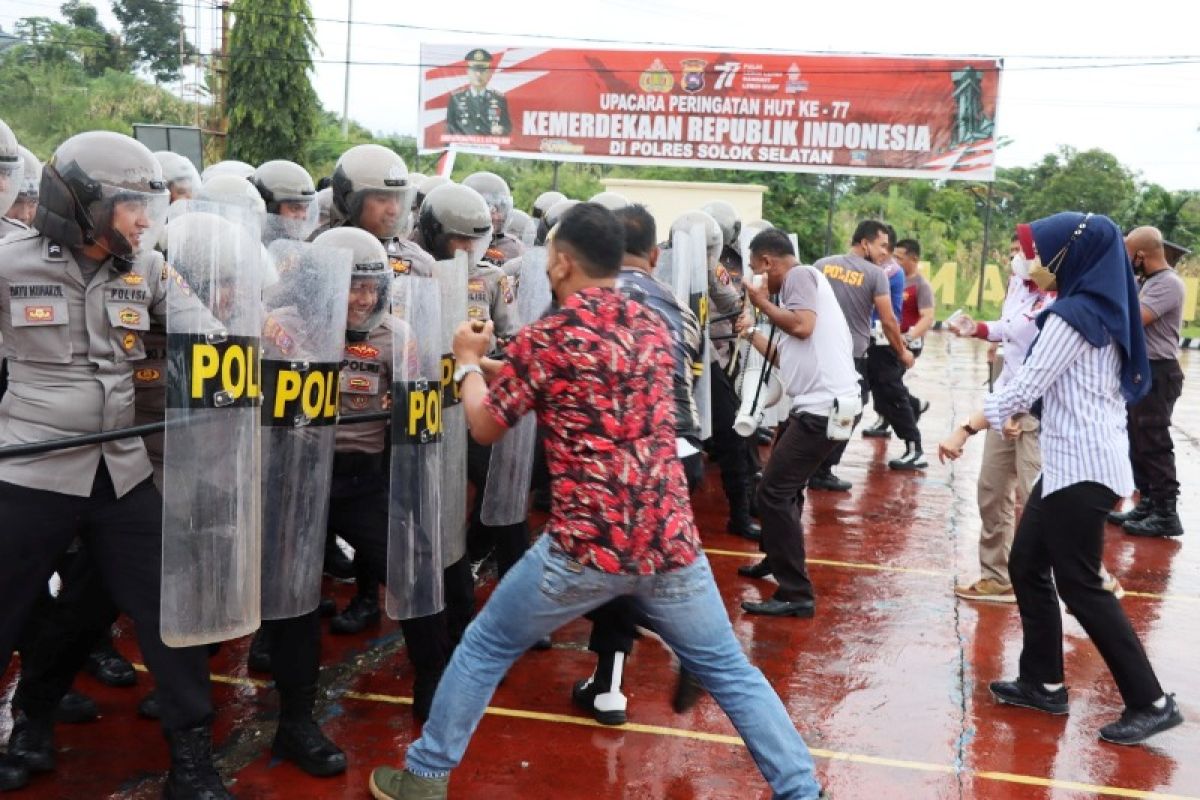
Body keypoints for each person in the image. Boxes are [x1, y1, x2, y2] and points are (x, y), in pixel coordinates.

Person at [366, 202, 828, 800]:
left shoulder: (554, 334)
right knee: (733, 674)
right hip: (669, 540)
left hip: (582, 549)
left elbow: (484, 424)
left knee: (483, 647)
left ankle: (424, 778)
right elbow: (588, 378)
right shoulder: (655, 325)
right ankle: (802, 791)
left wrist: (466, 363)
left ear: (559, 262)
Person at [0, 131, 229, 797]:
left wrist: (261, 356)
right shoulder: (8, 261)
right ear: (82, 204)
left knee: (170, 614)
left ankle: (192, 760)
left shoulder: (150, 268)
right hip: (29, 469)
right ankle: (31, 724)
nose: (144, 220)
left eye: (148, 207)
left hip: (122, 472)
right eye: (131, 206)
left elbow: (211, 341)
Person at [939, 212, 1182, 747]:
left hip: (1084, 467)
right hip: (1073, 464)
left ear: (1066, 258)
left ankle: (1151, 700)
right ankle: (1043, 681)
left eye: (1036, 252)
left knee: (1079, 584)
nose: (1029, 262)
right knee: (1027, 564)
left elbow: (1023, 386)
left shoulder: (1074, 316)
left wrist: (963, 427)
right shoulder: (1100, 309)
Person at [570, 203, 706, 725]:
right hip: (681, 457)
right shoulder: (679, 305)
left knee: (592, 571)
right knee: (623, 572)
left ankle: (634, 672)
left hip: (621, 460)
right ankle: (609, 686)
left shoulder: (595, 299)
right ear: (655, 253)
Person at [735, 229, 861, 618]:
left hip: (823, 409)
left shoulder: (799, 276)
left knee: (773, 492)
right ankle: (777, 558)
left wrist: (760, 303)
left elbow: (802, 326)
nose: (758, 279)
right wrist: (752, 330)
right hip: (814, 406)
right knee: (780, 488)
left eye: (757, 270)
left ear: (769, 262)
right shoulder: (791, 295)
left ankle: (796, 592)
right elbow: (785, 357)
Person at [809, 220, 914, 490]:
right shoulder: (876, 274)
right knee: (851, 408)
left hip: (817, 351)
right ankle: (822, 468)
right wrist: (902, 352)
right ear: (865, 243)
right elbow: (890, 321)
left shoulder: (821, 265)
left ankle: (804, 463)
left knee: (810, 406)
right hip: (850, 356)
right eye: (881, 245)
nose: (884, 253)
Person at [1108, 226, 1186, 537]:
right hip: (1144, 371)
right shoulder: (1147, 281)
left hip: (1159, 371)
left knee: (1154, 442)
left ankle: (1166, 511)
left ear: (1141, 256)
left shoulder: (1168, 284)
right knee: (1137, 442)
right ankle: (1148, 502)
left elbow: (1132, 321)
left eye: (1129, 256)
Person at [861, 227, 926, 470]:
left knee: (892, 393)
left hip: (885, 342)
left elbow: (892, 319)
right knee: (877, 393)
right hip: (869, 342)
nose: (883, 251)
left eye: (883, 246)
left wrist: (902, 350)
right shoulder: (873, 268)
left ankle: (914, 448)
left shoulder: (888, 271)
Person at [445, 48, 512, 137]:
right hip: (463, 146)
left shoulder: (499, 99)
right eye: (474, 70)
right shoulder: (456, 98)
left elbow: (507, 126)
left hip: (490, 147)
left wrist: (501, 129)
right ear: (468, 72)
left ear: (489, 73)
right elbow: (449, 126)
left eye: (482, 71)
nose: (478, 75)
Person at [462, 171, 525, 264]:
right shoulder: (455, 243)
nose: (498, 217)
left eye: (501, 209)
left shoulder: (514, 248)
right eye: (490, 209)